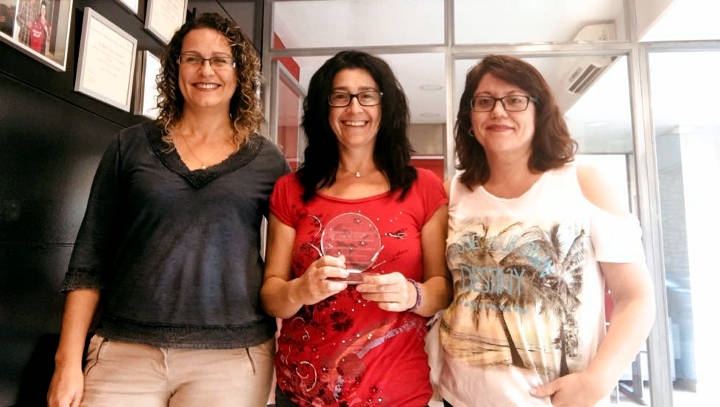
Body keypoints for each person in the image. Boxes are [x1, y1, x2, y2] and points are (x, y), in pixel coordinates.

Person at [46, 12, 289, 407]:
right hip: (125, 350)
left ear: (239, 72)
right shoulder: (129, 146)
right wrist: (66, 362)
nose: (205, 70)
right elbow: (89, 258)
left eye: (220, 60)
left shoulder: (268, 160)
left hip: (232, 359)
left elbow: (283, 270)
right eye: (193, 58)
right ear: (176, 68)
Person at [437, 55, 655, 407]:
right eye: (484, 101)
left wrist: (597, 380)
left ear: (539, 112)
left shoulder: (584, 182)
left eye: (515, 100)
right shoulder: (454, 191)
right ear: (470, 118)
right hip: (459, 398)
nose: (498, 111)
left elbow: (636, 298)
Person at [260, 50, 452, 406]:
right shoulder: (291, 189)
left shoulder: (423, 188)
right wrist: (301, 290)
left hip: (396, 393)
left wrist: (413, 295)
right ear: (323, 108)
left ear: (385, 106)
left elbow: (442, 287)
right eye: (340, 96)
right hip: (303, 393)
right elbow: (272, 294)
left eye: (367, 96)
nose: (354, 108)